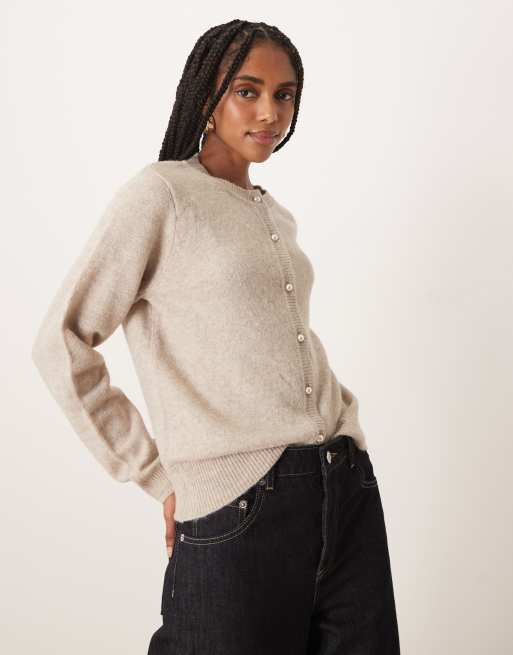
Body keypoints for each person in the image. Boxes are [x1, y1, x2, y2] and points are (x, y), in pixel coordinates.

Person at [31, 18, 401, 655]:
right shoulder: (161, 196)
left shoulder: (275, 213)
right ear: (207, 95)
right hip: (241, 503)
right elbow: (61, 342)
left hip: (345, 487)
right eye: (247, 91)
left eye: (284, 95)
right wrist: (156, 476)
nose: (270, 112)